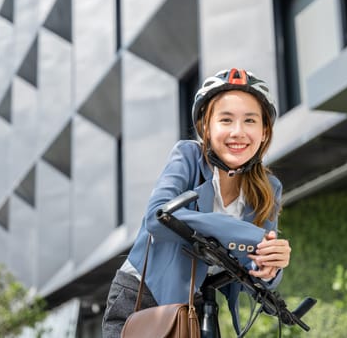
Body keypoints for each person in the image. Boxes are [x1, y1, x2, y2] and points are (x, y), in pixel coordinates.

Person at [102, 68, 291, 337]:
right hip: (142, 295)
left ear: (263, 132)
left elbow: (254, 264)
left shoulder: (269, 188)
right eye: (226, 120)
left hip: (196, 301)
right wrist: (248, 236)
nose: (238, 132)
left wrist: (269, 266)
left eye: (250, 121)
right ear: (206, 127)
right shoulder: (188, 156)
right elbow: (159, 217)